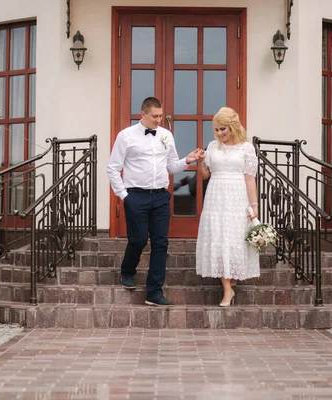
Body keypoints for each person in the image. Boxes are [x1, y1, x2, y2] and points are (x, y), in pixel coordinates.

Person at [107, 97, 204, 306]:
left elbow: (171, 167)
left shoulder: (166, 136)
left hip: (160, 196)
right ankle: (127, 270)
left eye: (160, 116)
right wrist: (124, 196)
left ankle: (154, 293)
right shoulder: (126, 136)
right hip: (135, 195)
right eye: (155, 116)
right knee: (139, 239)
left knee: (161, 243)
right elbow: (113, 168)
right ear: (143, 114)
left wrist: (187, 160)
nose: (159, 120)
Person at [195, 107, 260, 307]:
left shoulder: (246, 148)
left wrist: (254, 205)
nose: (220, 134)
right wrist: (200, 162)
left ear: (232, 127)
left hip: (237, 196)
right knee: (219, 238)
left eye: (223, 129)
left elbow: (250, 179)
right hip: (216, 197)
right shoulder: (213, 147)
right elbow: (205, 175)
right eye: (216, 130)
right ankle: (227, 289)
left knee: (234, 240)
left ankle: (232, 278)